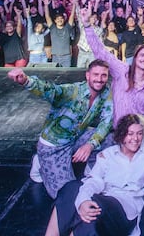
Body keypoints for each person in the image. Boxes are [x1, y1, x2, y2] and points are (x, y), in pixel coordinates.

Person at [45, 114, 144, 236]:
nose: (135, 138)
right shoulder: (107, 155)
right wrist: (83, 201)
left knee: (95, 210)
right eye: (130, 134)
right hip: (104, 199)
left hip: (125, 211)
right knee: (72, 187)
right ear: (121, 135)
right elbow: (94, 180)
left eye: (139, 134)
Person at [7, 60, 113, 198]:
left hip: (75, 138)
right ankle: (40, 161)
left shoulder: (106, 93)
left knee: (112, 138)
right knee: (67, 195)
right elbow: (50, 90)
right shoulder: (72, 91)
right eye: (96, 74)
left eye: (103, 75)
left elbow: (106, 121)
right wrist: (26, 81)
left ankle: (91, 171)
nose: (99, 79)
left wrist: (90, 145)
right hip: (53, 146)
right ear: (87, 76)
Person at [82, 23, 144, 149]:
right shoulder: (122, 70)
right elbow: (101, 52)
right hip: (113, 132)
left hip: (135, 137)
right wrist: (87, 27)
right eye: (142, 55)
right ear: (135, 58)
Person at [43, 0, 76, 67]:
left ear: (64, 20)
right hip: (55, 57)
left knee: (66, 76)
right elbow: (47, 17)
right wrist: (46, 5)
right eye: (57, 19)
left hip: (66, 57)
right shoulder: (52, 28)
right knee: (56, 76)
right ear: (55, 21)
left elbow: (72, 16)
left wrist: (74, 4)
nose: (59, 20)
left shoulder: (67, 27)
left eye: (61, 18)